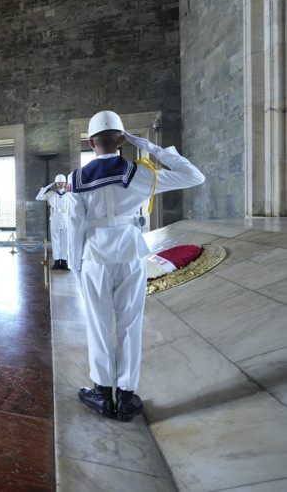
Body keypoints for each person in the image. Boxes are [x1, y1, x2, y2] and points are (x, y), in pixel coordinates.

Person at [69, 110, 205, 423]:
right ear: (121, 139)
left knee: (99, 325)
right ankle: (127, 398)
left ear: (91, 143)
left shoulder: (76, 179)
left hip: (94, 258)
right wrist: (154, 148)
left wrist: (77, 267)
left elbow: (75, 228)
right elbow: (194, 176)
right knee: (130, 324)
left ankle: (102, 394)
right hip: (131, 254)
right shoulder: (141, 174)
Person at [36, 174, 71, 270]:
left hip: (66, 219)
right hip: (55, 218)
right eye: (58, 182)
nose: (60, 184)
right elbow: (38, 197)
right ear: (56, 183)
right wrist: (48, 186)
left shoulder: (69, 194)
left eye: (62, 182)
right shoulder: (51, 194)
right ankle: (56, 261)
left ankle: (64, 261)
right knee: (55, 241)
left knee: (65, 241)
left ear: (65, 183)